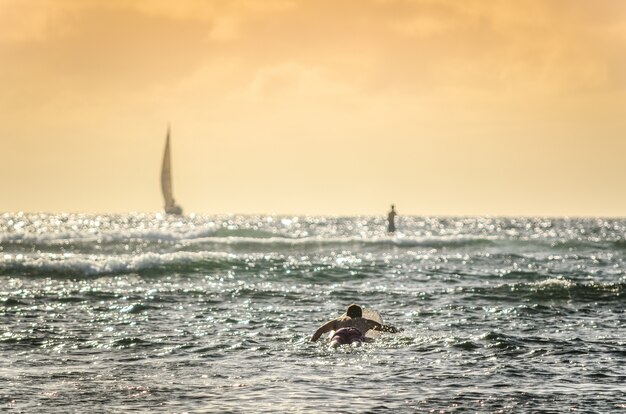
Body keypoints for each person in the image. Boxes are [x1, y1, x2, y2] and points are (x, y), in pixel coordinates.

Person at [310, 304, 401, 348]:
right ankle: (355, 347)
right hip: (355, 332)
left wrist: (312, 341)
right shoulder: (365, 321)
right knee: (356, 343)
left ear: (346, 314)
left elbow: (320, 330)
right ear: (361, 315)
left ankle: (332, 348)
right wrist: (396, 330)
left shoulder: (338, 320)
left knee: (335, 343)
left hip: (340, 332)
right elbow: (384, 328)